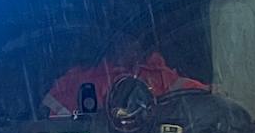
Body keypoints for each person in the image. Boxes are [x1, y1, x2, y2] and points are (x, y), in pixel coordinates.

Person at [43, 38, 206, 118]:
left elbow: (190, 93)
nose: (132, 43)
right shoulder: (80, 80)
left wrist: (212, 93)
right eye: (122, 39)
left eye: (138, 38)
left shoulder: (161, 75)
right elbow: (55, 125)